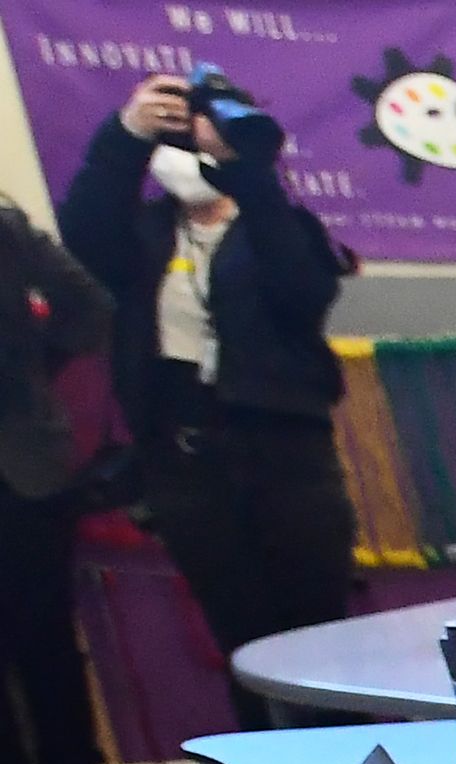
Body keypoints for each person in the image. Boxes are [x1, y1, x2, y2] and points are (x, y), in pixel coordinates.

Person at [63, 71, 356, 683]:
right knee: (241, 639)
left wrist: (247, 172)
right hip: (185, 459)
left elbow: (302, 297)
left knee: (320, 634)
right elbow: (85, 231)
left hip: (287, 454)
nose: (194, 152)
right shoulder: (142, 238)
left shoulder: (280, 226)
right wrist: (127, 136)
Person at [0, 192, 121, 764]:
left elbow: (90, 306)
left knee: (49, 648)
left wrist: (34, 368)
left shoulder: (7, 226)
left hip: (28, 465)